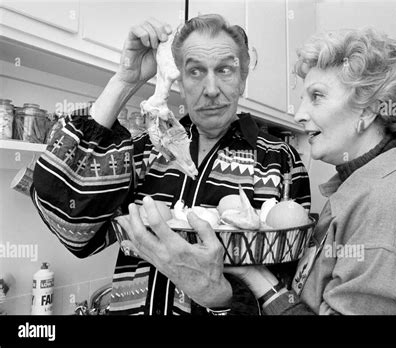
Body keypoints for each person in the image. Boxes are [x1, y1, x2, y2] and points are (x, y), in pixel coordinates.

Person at [120, 27, 396, 315]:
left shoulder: (389, 205)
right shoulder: (361, 191)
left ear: (368, 111)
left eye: (316, 97)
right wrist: (256, 276)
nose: (299, 115)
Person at [30, 14, 311, 315]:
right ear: (178, 78)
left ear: (242, 79)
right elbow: (70, 225)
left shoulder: (279, 160)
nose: (212, 88)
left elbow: (287, 297)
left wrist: (223, 298)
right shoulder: (147, 150)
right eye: (195, 71)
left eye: (226, 70)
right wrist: (126, 80)